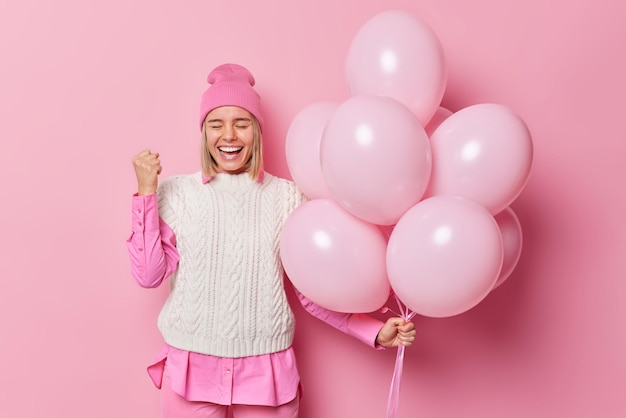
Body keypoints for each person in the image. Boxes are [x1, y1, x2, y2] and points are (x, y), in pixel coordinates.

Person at [126, 63, 416, 418]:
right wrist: (145, 194)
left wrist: (373, 330)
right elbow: (148, 274)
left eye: (242, 124)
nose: (229, 136)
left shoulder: (289, 199)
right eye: (216, 124)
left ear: (258, 131)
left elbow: (312, 295)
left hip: (267, 376)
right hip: (190, 370)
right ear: (204, 133)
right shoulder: (174, 193)